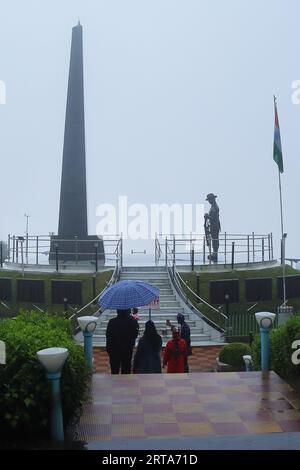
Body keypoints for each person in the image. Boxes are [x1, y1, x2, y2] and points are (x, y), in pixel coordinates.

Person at [106, 308, 139, 374]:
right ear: (129, 311)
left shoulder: (112, 322)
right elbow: (135, 335)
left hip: (114, 350)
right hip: (127, 349)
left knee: (114, 370)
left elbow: (108, 335)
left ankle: (115, 383)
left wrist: (108, 348)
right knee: (126, 369)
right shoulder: (133, 321)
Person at [204, 193, 221, 262]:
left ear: (212, 199)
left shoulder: (215, 207)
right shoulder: (212, 206)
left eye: (210, 200)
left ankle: (215, 253)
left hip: (215, 225)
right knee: (214, 239)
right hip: (213, 225)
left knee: (215, 239)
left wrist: (207, 216)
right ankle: (214, 253)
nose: (209, 201)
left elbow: (213, 218)